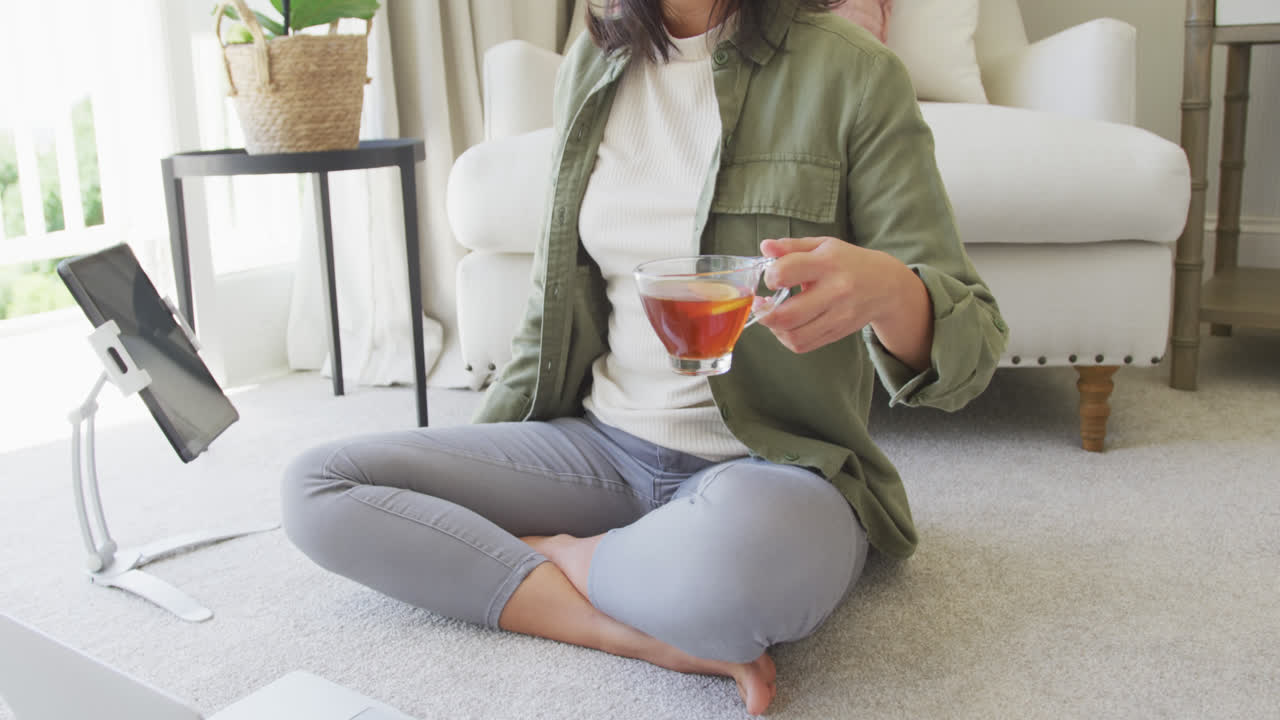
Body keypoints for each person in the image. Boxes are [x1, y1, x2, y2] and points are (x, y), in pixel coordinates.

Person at [281, 0, 1008, 714]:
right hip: (603, 449)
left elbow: (972, 341)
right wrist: (477, 465)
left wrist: (892, 292)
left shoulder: (854, 72)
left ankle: (575, 559)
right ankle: (626, 624)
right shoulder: (595, 64)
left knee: (728, 582)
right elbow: (551, 309)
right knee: (319, 488)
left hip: (777, 468)